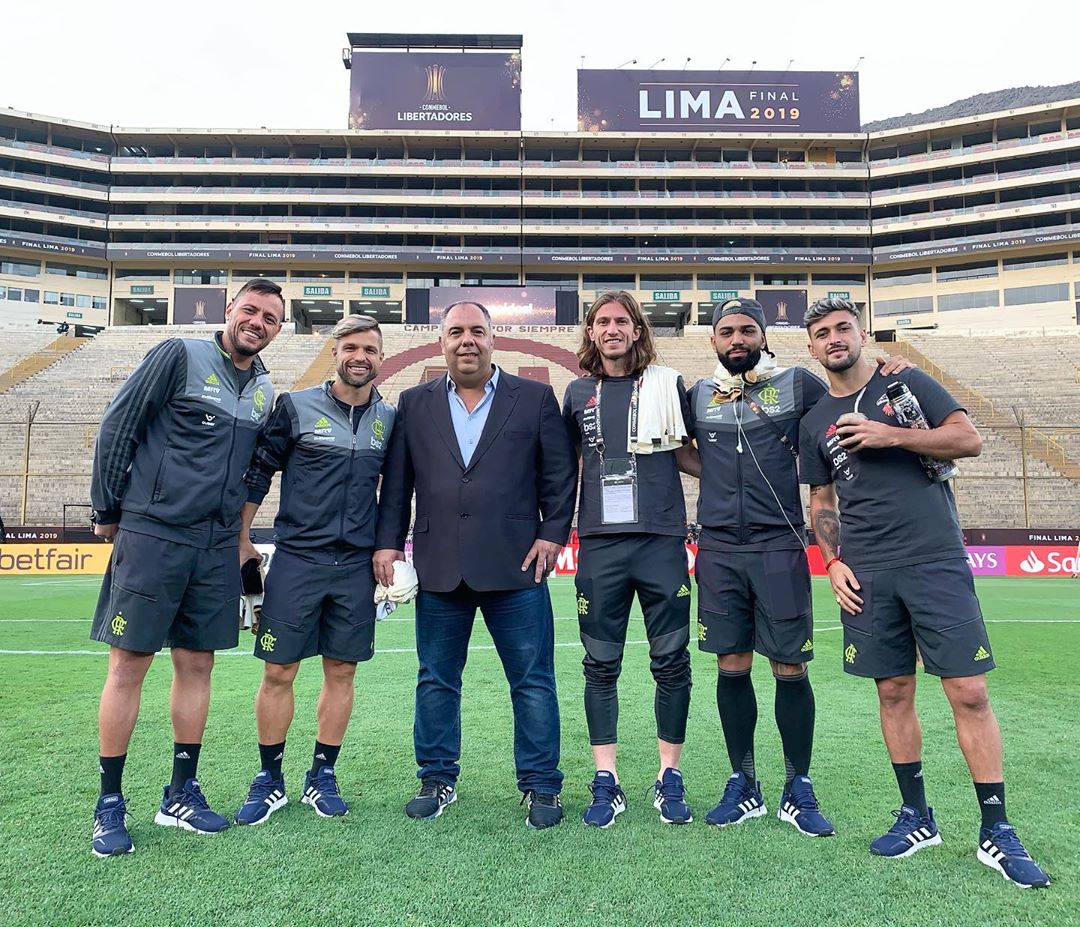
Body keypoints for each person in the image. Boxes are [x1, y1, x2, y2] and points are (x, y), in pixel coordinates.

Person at [800, 297, 1049, 888]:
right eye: (821, 333)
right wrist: (832, 563)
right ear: (810, 348)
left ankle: (996, 827)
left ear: (860, 333)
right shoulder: (813, 421)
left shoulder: (904, 381)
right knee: (893, 691)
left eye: (842, 328)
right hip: (867, 569)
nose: (834, 339)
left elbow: (969, 440)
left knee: (968, 691)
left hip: (933, 560)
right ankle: (917, 816)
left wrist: (891, 435)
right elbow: (822, 501)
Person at [685, 298, 910, 836]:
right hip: (716, 549)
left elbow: (846, 391)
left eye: (746, 330)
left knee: (790, 667)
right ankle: (744, 783)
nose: (736, 339)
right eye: (726, 332)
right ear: (712, 341)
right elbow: (677, 449)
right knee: (730, 665)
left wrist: (888, 367)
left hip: (779, 546)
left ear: (763, 337)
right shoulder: (695, 394)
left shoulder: (797, 385)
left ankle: (797, 786)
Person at [88, 278, 284, 857]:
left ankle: (180, 791)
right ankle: (109, 803)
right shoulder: (179, 353)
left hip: (216, 544)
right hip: (154, 533)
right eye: (250, 310)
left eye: (270, 318)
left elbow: (252, 472)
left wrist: (243, 538)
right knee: (128, 666)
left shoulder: (265, 390)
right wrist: (108, 510)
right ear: (229, 311)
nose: (258, 322)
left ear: (278, 329)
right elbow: (118, 425)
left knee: (197, 664)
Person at [374, 301, 577, 829]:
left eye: (477, 332)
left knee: (533, 680)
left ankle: (540, 786)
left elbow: (559, 475)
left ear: (493, 339)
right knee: (436, 680)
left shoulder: (533, 398)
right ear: (441, 341)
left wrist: (554, 534)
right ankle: (437, 778)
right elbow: (397, 484)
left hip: (517, 567)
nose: (467, 340)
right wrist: (387, 543)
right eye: (456, 332)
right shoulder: (413, 403)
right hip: (440, 565)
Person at [234, 314, 395, 825]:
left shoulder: (390, 420)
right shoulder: (295, 407)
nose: (360, 356)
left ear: (380, 358)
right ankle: (270, 777)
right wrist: (242, 540)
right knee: (279, 670)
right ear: (335, 352)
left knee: (342, 670)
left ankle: (321, 775)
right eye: (350, 346)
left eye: (370, 348)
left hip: (354, 566)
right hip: (298, 559)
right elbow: (257, 474)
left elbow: (395, 494)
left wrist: (390, 547)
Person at [563, 291, 697, 827]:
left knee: (672, 661)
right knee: (600, 663)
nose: (612, 328)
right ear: (591, 332)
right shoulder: (576, 392)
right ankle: (607, 778)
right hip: (600, 543)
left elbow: (691, 452)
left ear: (638, 330)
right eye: (603, 321)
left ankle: (669, 775)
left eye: (622, 320)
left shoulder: (668, 384)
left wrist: (739, 483)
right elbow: (562, 466)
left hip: (661, 539)